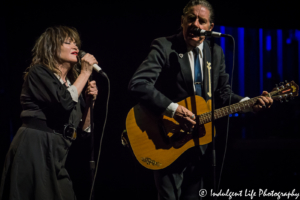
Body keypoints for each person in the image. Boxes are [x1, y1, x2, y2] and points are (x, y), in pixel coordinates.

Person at [128, 0, 273, 199]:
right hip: (167, 138)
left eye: (202, 21)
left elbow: (222, 95)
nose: (195, 24)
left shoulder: (215, 52)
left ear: (210, 27)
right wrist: (173, 110)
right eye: (191, 19)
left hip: (200, 146)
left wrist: (249, 103)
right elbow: (139, 83)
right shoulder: (164, 46)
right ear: (182, 21)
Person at [0, 26, 98, 200]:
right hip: (35, 147)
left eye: (76, 43)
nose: (75, 47)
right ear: (52, 48)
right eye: (68, 42)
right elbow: (64, 102)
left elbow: (84, 131)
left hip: (58, 153)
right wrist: (84, 73)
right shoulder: (39, 73)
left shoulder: (71, 85)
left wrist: (90, 103)